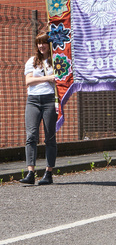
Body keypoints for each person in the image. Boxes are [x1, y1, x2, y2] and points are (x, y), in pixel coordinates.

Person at [19, 31, 57, 185]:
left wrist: (44, 80)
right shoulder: (32, 61)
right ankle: (30, 172)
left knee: (50, 137)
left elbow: (61, 79)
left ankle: (48, 173)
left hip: (50, 100)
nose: (41, 46)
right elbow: (28, 81)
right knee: (31, 136)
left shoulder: (56, 61)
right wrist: (48, 78)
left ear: (49, 44)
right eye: (38, 43)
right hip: (33, 101)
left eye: (44, 42)